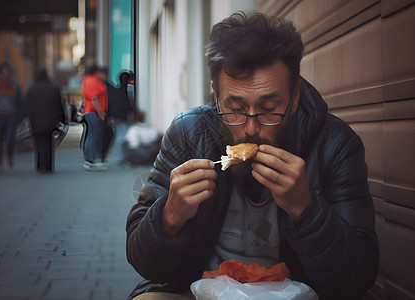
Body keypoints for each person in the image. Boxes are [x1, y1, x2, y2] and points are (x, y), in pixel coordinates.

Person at [126, 12, 379, 300]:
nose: (250, 128)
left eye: (269, 108)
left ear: (295, 96)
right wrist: (169, 215)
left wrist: (306, 209)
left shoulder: (335, 144)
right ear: (215, 93)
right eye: (234, 108)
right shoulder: (188, 133)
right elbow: (143, 260)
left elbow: (358, 278)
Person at [26, 69, 66, 173]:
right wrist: (62, 119)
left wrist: (26, 118)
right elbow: (59, 105)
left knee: (38, 142)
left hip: (35, 120)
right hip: (50, 120)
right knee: (48, 143)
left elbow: (27, 106)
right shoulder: (54, 88)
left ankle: (39, 165)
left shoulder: (31, 89)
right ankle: (48, 165)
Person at [81, 65, 113, 171]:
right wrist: (100, 112)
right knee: (93, 135)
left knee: (91, 135)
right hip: (92, 112)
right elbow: (94, 98)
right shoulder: (93, 81)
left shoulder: (88, 80)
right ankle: (90, 160)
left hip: (90, 111)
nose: (104, 76)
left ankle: (89, 159)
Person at [106, 71, 134, 165]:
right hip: (122, 117)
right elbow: (127, 105)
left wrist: (110, 116)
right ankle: (121, 158)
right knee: (121, 137)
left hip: (116, 117)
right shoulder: (126, 91)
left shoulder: (115, 90)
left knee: (119, 136)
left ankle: (120, 157)